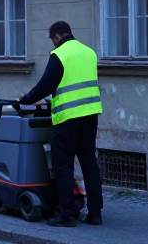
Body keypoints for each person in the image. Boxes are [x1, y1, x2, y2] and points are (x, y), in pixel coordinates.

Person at [19, 21, 104, 227]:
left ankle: (66, 214)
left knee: (63, 165)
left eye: (52, 40)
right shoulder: (89, 53)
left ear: (56, 37)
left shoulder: (60, 55)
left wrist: (25, 100)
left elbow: (46, 85)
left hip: (67, 119)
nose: (53, 44)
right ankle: (95, 213)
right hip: (90, 115)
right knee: (89, 163)